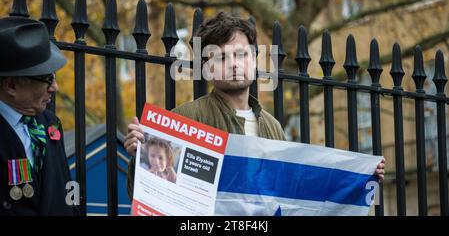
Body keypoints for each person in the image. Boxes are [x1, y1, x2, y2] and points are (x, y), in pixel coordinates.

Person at [124, 12, 385, 199]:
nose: (235, 64)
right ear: (206, 67)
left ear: (254, 59)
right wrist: (139, 157)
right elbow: (148, 191)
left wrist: (359, 177)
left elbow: (291, 191)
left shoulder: (272, 127)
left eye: (241, 54)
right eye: (222, 57)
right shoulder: (184, 119)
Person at [0, 16, 78, 216]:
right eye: (47, 78)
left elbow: (65, 190)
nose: (55, 87)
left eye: (55, 76)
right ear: (11, 86)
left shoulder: (50, 122)